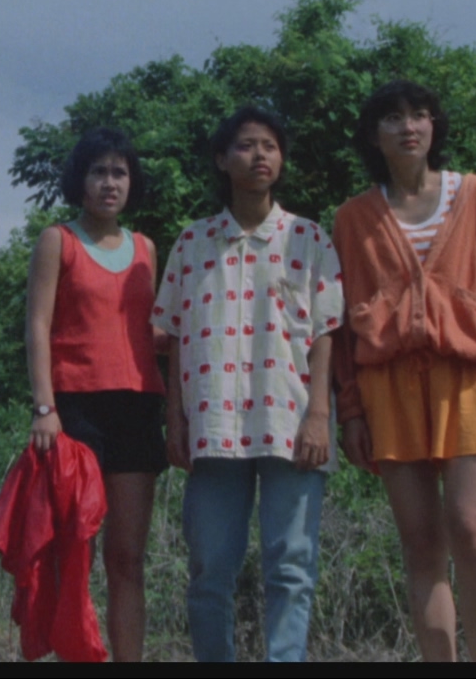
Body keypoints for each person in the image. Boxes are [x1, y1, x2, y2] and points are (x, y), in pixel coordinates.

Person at [332, 80, 476, 662]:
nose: (409, 126)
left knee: (471, 530)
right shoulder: (352, 218)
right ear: (373, 135)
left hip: (470, 380)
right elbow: (344, 329)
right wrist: (351, 411)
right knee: (422, 543)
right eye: (394, 117)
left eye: (420, 115)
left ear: (434, 126)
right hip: (388, 387)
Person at [153, 106, 343, 662]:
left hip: (290, 419)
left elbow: (326, 331)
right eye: (245, 145)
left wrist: (319, 415)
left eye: (269, 146)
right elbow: (173, 335)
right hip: (213, 423)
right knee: (209, 568)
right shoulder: (193, 242)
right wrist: (175, 418)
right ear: (221, 159)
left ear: (280, 160)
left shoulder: (308, 237)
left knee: (291, 566)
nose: (259, 155)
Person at [24, 127, 166, 662]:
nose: (110, 183)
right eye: (99, 172)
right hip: (74, 410)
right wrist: (45, 407)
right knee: (72, 553)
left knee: (127, 558)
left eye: (120, 172)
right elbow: (37, 326)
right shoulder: (57, 241)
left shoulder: (146, 248)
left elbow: (151, 329)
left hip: (137, 406)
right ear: (80, 181)